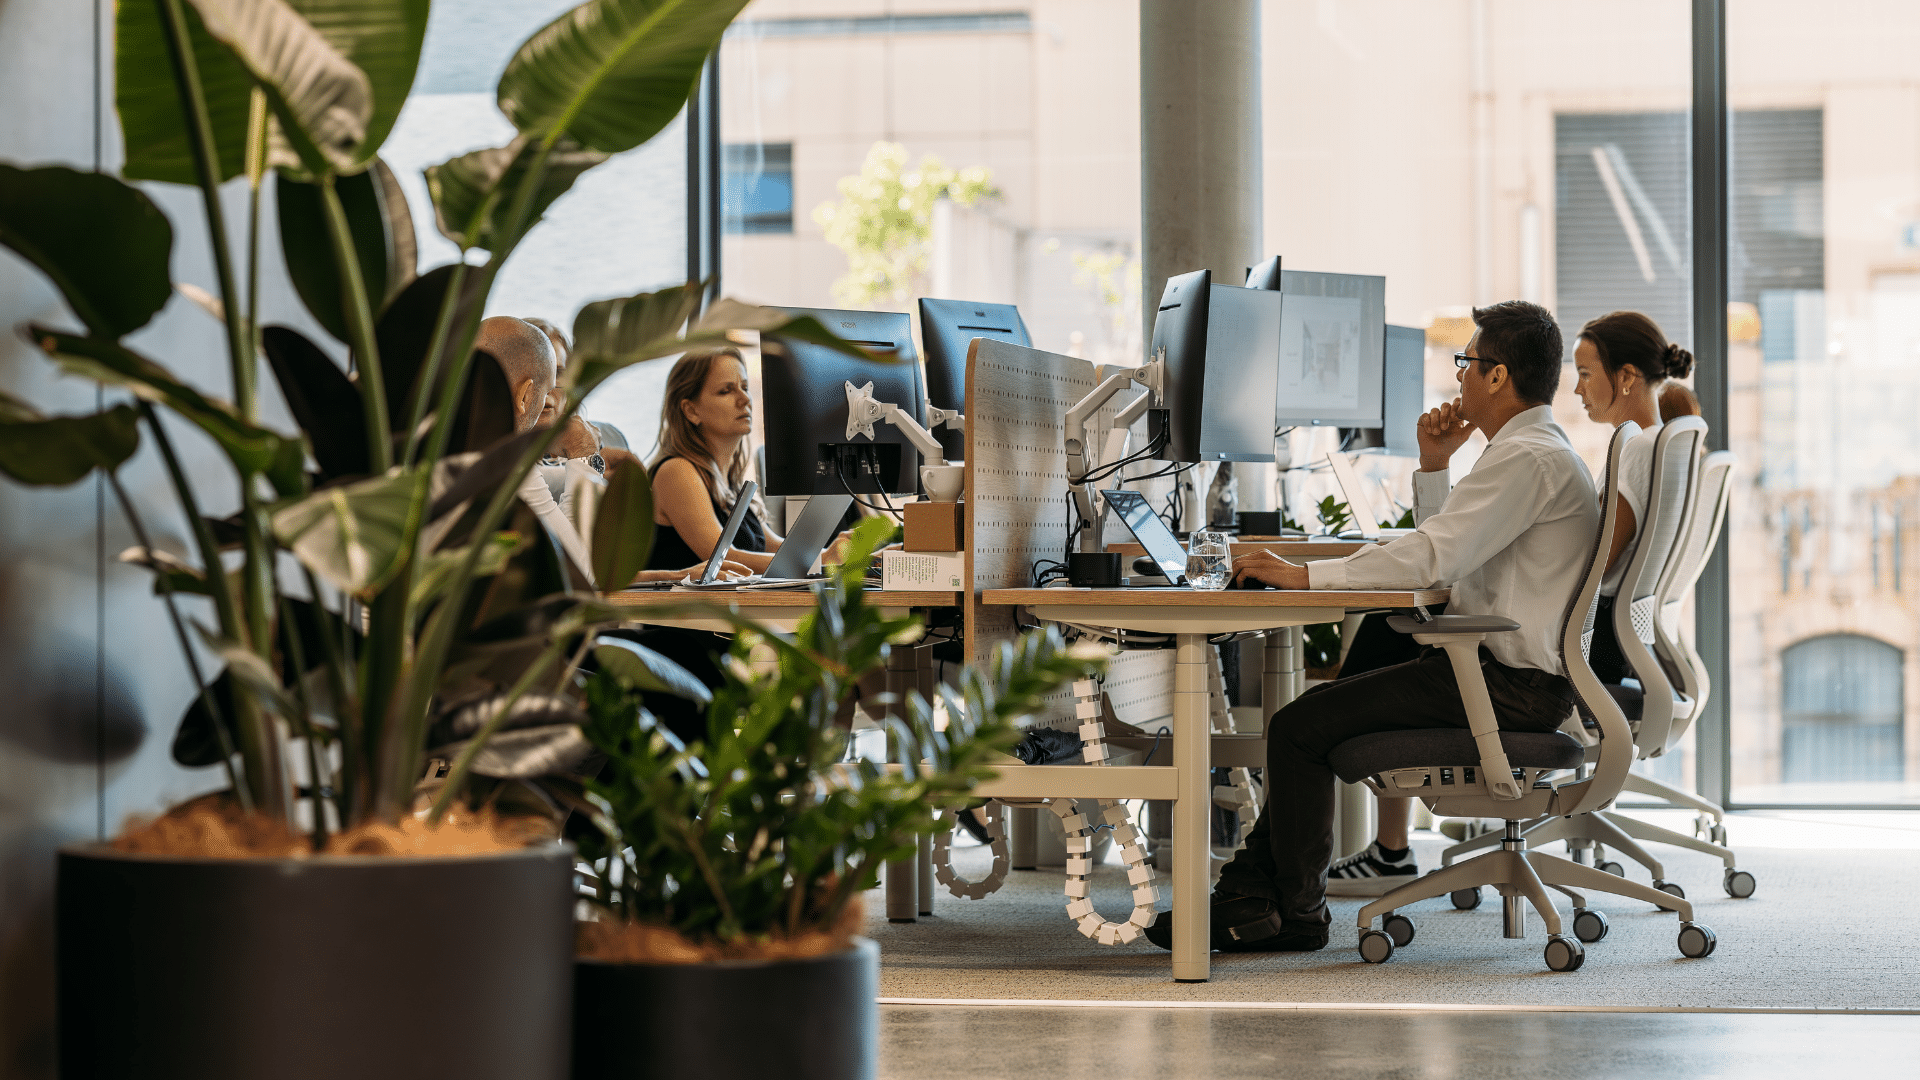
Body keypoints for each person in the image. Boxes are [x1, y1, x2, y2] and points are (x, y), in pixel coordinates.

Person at [1145, 300, 1599, 953]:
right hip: (1512, 673)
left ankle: (1288, 910)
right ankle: (1255, 894)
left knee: (1297, 728)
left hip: (1508, 686)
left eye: (1465, 364)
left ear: (1498, 377)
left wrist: (1304, 576)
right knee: (1347, 679)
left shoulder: (1526, 458)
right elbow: (1452, 548)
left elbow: (1439, 555)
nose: (1459, 378)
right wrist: (1436, 464)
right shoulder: (1533, 451)